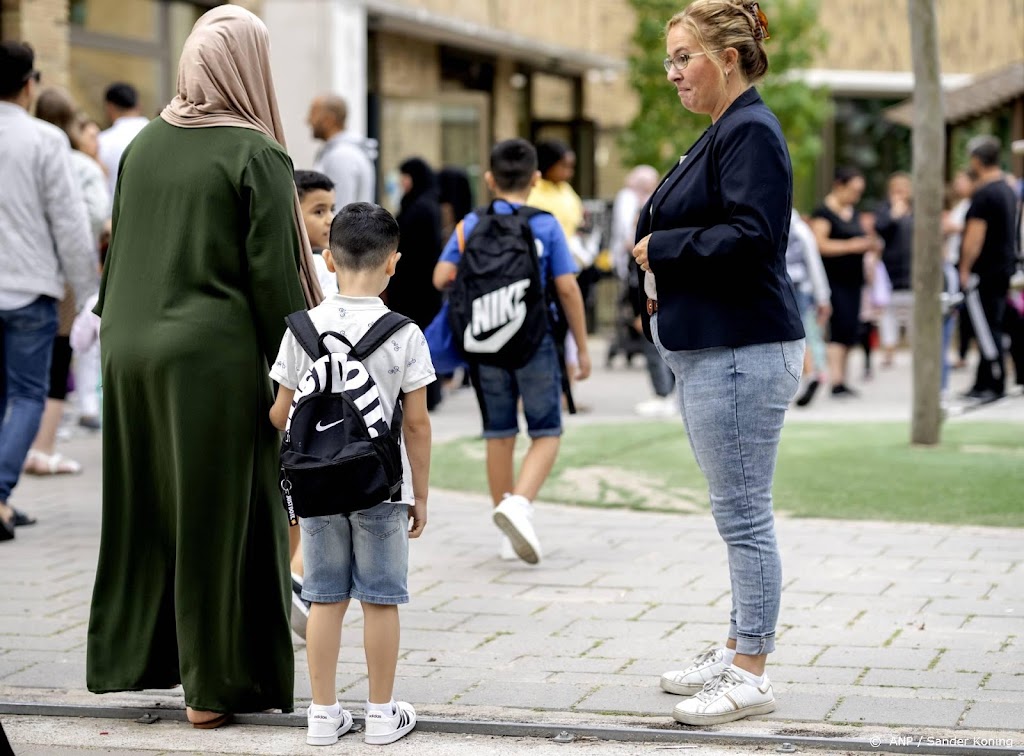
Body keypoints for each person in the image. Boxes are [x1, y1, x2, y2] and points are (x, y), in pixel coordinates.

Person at [86, 5, 323, 726]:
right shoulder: (257, 152)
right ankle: (212, 688)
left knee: (147, 508)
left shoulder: (145, 143)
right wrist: (311, 362)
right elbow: (279, 286)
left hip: (126, 349)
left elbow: (119, 255)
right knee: (223, 514)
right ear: (248, 65)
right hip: (207, 360)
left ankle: (137, 659)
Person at [629, 0, 804, 725]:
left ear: (727, 58)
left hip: (742, 348)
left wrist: (661, 249)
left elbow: (753, 235)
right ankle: (738, 646)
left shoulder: (750, 131)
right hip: (719, 345)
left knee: (744, 515)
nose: (672, 73)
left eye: (683, 57)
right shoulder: (726, 130)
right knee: (735, 511)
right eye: (669, 59)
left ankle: (752, 672)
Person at [269, 203, 434, 747]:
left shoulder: (302, 327)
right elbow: (416, 424)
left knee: (323, 597)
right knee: (380, 599)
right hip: (381, 488)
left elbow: (278, 414)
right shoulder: (404, 333)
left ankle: (322, 714)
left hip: (315, 488)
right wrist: (420, 497)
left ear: (328, 259)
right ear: (394, 263)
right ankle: (383, 715)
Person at [432, 138, 590, 564]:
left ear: (489, 179)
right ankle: (519, 505)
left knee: (499, 434)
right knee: (546, 430)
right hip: (533, 342)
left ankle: (506, 529)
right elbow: (567, 287)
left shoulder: (469, 224)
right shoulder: (545, 223)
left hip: (484, 344)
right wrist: (583, 348)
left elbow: (441, 275)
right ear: (536, 178)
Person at [0, 42, 98, 540]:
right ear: (29, 83)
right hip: (30, 287)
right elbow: (69, 221)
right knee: (26, 395)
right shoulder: (43, 140)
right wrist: (87, 292)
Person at [24, 87, 108, 468]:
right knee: (59, 357)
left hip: (22, 270)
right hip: (65, 274)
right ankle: (43, 447)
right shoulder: (81, 165)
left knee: (23, 365)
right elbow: (93, 215)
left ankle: (26, 442)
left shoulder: (24, 151)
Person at [610, 166, 675, 416]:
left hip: (656, 302)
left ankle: (663, 393)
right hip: (650, 300)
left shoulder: (652, 244)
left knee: (655, 346)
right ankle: (664, 393)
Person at [959, 136, 1018, 403]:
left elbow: (975, 237)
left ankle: (994, 381)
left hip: (985, 271)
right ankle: (983, 380)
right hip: (1004, 267)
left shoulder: (984, 193)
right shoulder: (1007, 189)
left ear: (976, 160)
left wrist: (964, 267)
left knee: (985, 326)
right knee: (993, 322)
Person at [810, 167, 877, 397]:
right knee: (838, 329)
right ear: (839, 185)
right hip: (833, 280)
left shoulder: (853, 213)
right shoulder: (824, 212)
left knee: (850, 329)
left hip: (854, 280)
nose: (856, 196)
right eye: (853, 190)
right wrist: (851, 246)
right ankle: (835, 380)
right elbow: (819, 244)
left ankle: (843, 378)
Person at [388, 158, 444, 409]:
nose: (401, 182)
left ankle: (425, 395)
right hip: (420, 287)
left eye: (405, 176)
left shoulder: (420, 207)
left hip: (415, 288)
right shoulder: (425, 204)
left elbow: (413, 248)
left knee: (417, 341)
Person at [788, 209, 831, 407]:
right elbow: (814, 263)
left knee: (796, 336)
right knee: (805, 333)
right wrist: (823, 296)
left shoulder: (770, 223)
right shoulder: (800, 229)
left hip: (780, 288)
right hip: (800, 288)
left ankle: (810, 374)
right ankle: (812, 373)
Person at [874, 172, 914, 368]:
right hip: (891, 271)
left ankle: (918, 348)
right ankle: (889, 348)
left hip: (913, 272)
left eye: (904, 190)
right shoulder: (885, 210)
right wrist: (893, 215)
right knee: (888, 313)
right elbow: (880, 228)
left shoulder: (916, 210)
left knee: (916, 311)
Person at [309, 94, 376, 206]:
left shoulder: (341, 156)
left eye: (313, 114)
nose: (308, 120)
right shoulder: (343, 152)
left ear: (328, 120)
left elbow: (339, 209)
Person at [97, 82, 148, 197]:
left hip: (115, 212)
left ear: (109, 108)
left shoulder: (101, 142)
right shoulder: (157, 135)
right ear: (139, 105)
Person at [296, 169, 339, 297]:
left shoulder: (324, 262)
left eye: (332, 210)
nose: (331, 219)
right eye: (319, 212)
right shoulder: (318, 265)